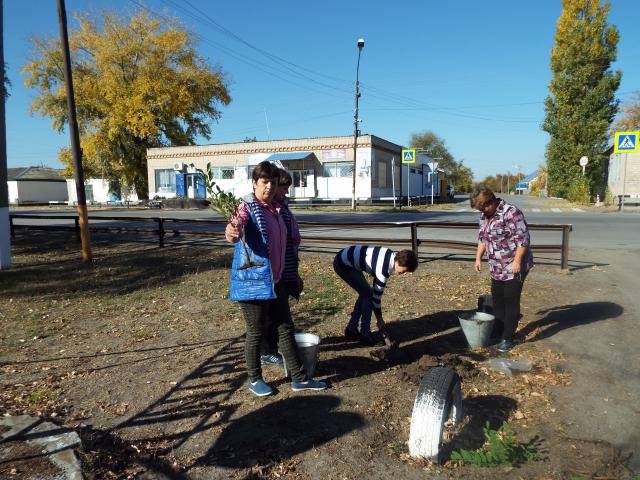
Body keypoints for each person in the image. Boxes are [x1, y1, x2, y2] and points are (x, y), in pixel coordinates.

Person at [225, 161, 326, 396]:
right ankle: (254, 378)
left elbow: (288, 247)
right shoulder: (246, 206)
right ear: (254, 183)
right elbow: (236, 226)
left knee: (285, 328)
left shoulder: (277, 210)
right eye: (264, 182)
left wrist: (294, 274)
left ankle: (299, 378)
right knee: (256, 331)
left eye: (273, 182)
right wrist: (232, 229)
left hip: (276, 280)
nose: (269, 186)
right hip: (253, 282)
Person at [471, 185, 533, 353]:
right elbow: (483, 238)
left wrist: (517, 261)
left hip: (515, 264)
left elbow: (523, 239)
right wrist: (478, 258)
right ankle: (498, 330)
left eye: (484, 207)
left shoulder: (511, 212)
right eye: (480, 209)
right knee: (497, 298)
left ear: (491, 201)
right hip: (496, 265)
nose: (482, 211)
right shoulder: (484, 215)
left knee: (510, 299)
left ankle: (508, 337)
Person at [333, 245, 418, 346]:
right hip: (343, 264)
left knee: (365, 293)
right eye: (404, 270)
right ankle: (365, 334)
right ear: (399, 262)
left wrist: (379, 318)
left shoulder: (391, 255)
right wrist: (380, 319)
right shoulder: (383, 271)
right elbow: (376, 299)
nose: (403, 273)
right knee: (368, 295)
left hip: (348, 259)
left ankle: (351, 330)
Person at [260, 168, 303, 367]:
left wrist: (294, 270)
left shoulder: (282, 207)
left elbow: (290, 240)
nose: (286, 192)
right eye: (283, 188)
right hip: (275, 269)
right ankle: (267, 351)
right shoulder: (269, 209)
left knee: (280, 312)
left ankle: (277, 346)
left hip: (286, 266)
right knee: (270, 315)